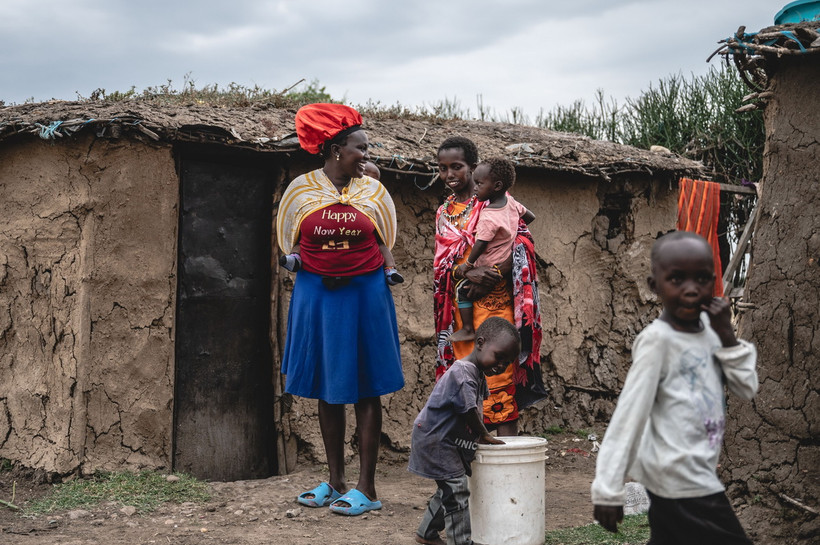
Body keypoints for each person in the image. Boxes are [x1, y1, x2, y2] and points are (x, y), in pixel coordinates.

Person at [276, 103, 405, 516]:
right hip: (318, 294)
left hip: (365, 293)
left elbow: (386, 234)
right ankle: (335, 480)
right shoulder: (301, 189)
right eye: (359, 148)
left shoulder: (373, 191)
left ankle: (366, 487)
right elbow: (287, 237)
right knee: (327, 385)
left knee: (366, 386)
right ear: (336, 150)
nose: (365, 155)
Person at [591, 231, 758, 544]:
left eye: (702, 279)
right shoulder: (658, 342)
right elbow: (629, 416)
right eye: (677, 279)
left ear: (714, 282)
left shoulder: (713, 332)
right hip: (680, 479)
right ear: (655, 286)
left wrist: (728, 338)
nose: (692, 290)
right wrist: (607, 489)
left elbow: (746, 388)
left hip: (697, 471)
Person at [433, 136, 546, 437]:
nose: (449, 175)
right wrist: (465, 273)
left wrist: (494, 272)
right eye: (442, 169)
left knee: (500, 377)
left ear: (472, 167)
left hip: (498, 305)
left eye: (457, 167)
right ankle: (468, 472)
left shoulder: (499, 202)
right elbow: (443, 264)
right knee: (465, 381)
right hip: (461, 309)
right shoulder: (445, 213)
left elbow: (523, 244)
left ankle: (506, 472)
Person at [409, 317, 520, 545]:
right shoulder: (464, 373)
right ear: (480, 343)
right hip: (436, 439)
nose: (501, 366)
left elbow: (476, 410)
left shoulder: (477, 373)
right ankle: (461, 541)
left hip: (446, 440)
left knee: (450, 488)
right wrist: (484, 434)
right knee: (457, 490)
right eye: (499, 357)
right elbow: (470, 410)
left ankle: (427, 533)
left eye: (507, 363)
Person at [449, 158, 535, 343]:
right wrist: (512, 232)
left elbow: (480, 243)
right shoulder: (512, 203)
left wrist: (468, 265)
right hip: (504, 266)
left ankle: (467, 328)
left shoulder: (488, 215)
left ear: (496, 186)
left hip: (488, 266)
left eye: (479, 184)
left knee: (462, 291)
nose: (475, 188)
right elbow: (530, 217)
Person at [279, 159, 403, 285]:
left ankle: (390, 270)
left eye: (374, 180)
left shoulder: (374, 198)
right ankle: (294, 257)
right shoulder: (316, 192)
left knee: (382, 247)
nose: (368, 182)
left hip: (365, 277)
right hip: (315, 276)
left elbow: (383, 227)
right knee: (302, 241)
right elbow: (294, 220)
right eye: (365, 176)